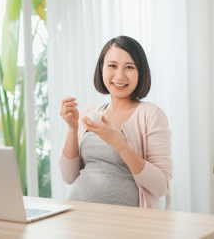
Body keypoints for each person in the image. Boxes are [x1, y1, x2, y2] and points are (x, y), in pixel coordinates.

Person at [59, 36, 173, 209]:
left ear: (140, 72)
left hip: (125, 226)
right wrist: (72, 129)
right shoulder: (89, 113)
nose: (119, 76)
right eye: (112, 66)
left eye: (129, 67)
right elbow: (69, 177)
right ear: (101, 69)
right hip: (78, 219)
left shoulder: (151, 114)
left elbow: (161, 187)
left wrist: (121, 145)